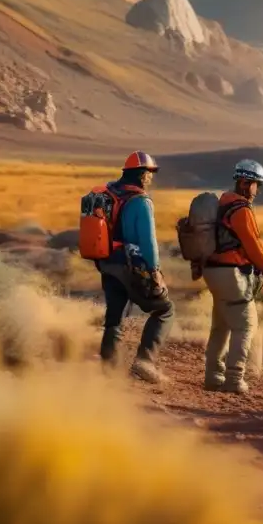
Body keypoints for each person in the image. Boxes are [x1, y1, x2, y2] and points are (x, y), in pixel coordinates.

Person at [97, 151, 175, 385]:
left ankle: (108, 372)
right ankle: (145, 362)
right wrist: (155, 271)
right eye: (149, 173)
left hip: (106, 262)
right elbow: (148, 242)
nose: (150, 178)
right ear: (141, 174)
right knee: (165, 309)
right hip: (131, 266)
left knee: (115, 317)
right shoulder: (140, 201)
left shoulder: (108, 193)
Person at [202, 159, 263, 394]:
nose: (258, 190)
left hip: (212, 271)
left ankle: (213, 375)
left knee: (221, 325)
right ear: (246, 183)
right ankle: (234, 379)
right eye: (257, 184)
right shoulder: (241, 209)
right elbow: (252, 244)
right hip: (231, 274)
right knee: (246, 326)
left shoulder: (222, 202)